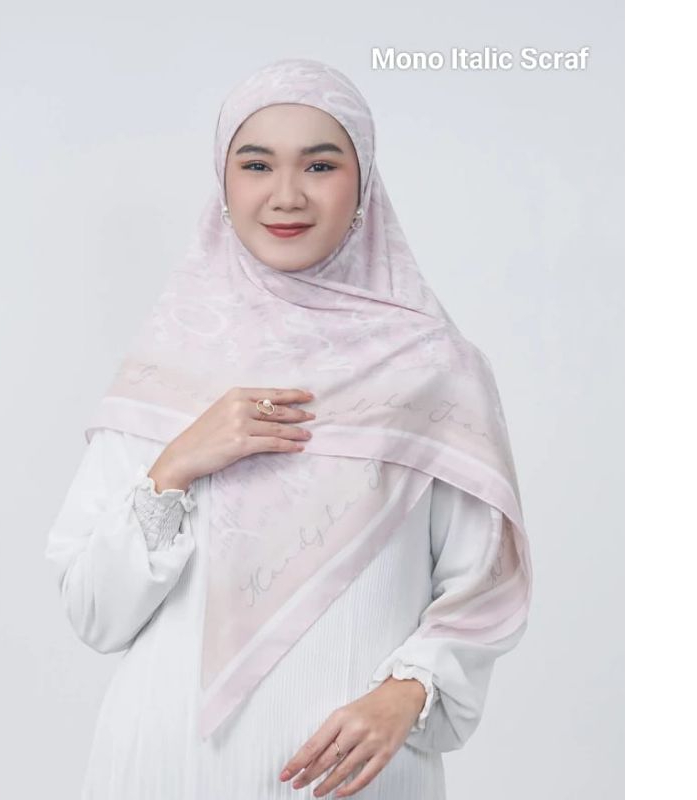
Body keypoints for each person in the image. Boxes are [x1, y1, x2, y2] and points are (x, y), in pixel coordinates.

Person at [45, 58, 533, 799]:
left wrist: (408, 692)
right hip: (162, 767)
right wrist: (177, 463)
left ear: (363, 184)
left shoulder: (436, 371)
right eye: (256, 164)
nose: (286, 195)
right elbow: (95, 613)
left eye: (321, 165)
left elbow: (485, 587)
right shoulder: (168, 367)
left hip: (356, 778)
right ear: (224, 182)